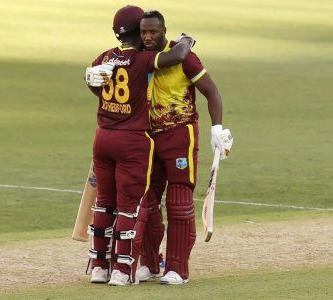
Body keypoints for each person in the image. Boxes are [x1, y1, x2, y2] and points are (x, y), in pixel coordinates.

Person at [83, 5, 195, 286]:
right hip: (132, 140)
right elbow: (178, 55)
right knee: (129, 207)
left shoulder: (104, 58)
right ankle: (122, 271)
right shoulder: (144, 60)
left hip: (102, 137)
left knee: (104, 203)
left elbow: (94, 82)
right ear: (138, 31)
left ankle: (98, 266)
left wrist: (90, 81)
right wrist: (187, 40)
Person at [135, 10, 233, 285]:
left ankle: (177, 268)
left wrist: (217, 127)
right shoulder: (141, 57)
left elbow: (211, 91)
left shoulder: (183, 56)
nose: (148, 37)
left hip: (180, 134)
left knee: (178, 202)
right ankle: (151, 264)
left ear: (164, 30)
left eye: (153, 31)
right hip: (147, 136)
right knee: (145, 200)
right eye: (144, 32)